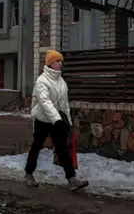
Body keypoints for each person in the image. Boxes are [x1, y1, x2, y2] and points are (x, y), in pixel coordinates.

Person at [24, 50, 89, 191]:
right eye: (57, 61)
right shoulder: (42, 81)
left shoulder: (61, 81)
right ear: (49, 63)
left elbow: (64, 104)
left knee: (62, 148)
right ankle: (29, 173)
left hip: (56, 120)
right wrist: (57, 120)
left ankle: (71, 178)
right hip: (42, 119)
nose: (60, 64)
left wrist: (67, 122)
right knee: (37, 146)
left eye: (61, 61)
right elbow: (45, 102)